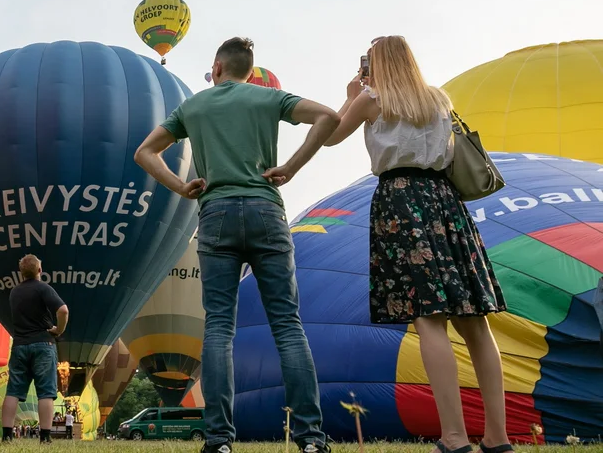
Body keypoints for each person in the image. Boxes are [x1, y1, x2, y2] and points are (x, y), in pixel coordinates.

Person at [135, 37, 339, 453]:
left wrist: (182, 186)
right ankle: (311, 438)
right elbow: (328, 117)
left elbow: (145, 152)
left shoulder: (193, 106)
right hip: (266, 210)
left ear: (216, 67)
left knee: (219, 328)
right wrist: (291, 168)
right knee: (286, 324)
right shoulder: (269, 99)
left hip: (216, 213)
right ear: (251, 69)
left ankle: (219, 439)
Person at [324, 36, 511, 453]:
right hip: (445, 202)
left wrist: (349, 97)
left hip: (401, 201)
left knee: (430, 319)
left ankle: (455, 436)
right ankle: (497, 438)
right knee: (475, 320)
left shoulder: (372, 99)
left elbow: (330, 136)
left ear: (375, 64)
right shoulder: (438, 100)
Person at [0, 254, 68, 444]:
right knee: (45, 392)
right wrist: (58, 330)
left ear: (21, 273)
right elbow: (63, 310)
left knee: (13, 391)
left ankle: (6, 436)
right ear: (39, 270)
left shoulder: (14, 292)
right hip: (43, 344)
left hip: (20, 344)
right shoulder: (43, 288)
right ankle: (45, 437)